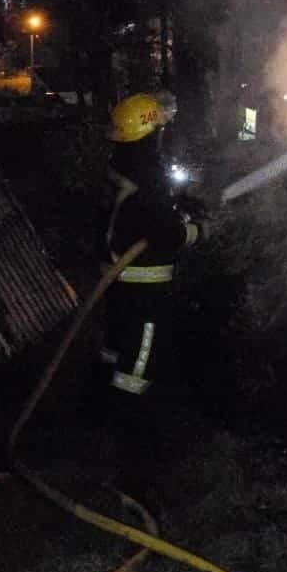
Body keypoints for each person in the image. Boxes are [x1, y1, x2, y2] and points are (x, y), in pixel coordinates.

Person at [98, 93, 208, 498]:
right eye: (158, 130)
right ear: (149, 134)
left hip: (121, 292)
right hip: (143, 298)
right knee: (136, 372)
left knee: (116, 359)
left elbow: (144, 217)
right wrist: (197, 230)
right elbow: (164, 235)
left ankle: (106, 430)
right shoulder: (145, 180)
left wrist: (178, 204)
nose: (162, 136)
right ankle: (134, 469)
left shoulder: (124, 170)